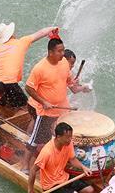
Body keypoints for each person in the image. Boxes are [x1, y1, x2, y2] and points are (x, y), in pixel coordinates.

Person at [24, 37, 74, 170]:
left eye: (63, 50)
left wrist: (82, 87)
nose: (63, 53)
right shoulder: (40, 68)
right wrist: (44, 101)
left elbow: (69, 82)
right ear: (50, 52)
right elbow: (28, 87)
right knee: (35, 140)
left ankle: (57, 162)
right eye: (59, 51)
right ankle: (24, 166)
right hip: (45, 112)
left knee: (57, 138)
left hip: (61, 111)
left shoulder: (64, 62)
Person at [0, 23, 58, 113]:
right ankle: (8, 125)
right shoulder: (20, 42)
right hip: (9, 82)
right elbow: (40, 33)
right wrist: (52, 28)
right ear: (11, 34)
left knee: (1, 104)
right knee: (25, 109)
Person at [26, 122, 94, 193]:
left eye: (71, 136)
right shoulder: (47, 152)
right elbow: (33, 170)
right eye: (67, 137)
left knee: (89, 190)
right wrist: (30, 190)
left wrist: (84, 168)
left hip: (64, 177)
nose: (70, 139)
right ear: (58, 137)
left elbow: (72, 159)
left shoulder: (68, 143)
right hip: (51, 185)